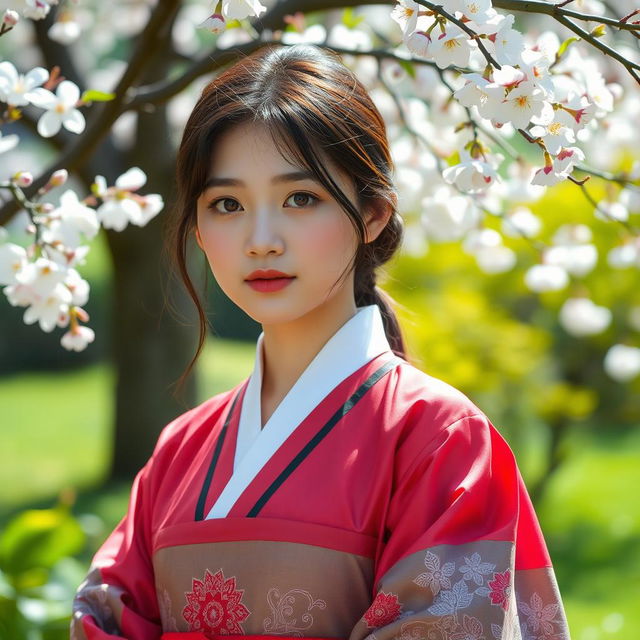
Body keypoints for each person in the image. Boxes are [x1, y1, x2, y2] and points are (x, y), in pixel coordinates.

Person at [70, 43, 571, 640]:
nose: (261, 240)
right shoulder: (179, 452)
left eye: (300, 198)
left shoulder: (439, 438)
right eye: (226, 204)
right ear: (198, 229)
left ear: (373, 214)